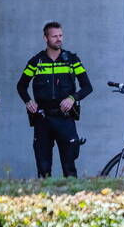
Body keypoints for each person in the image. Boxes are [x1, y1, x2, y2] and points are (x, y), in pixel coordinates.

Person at [16, 22, 92, 177]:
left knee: (69, 168)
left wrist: (73, 98)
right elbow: (21, 86)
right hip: (42, 119)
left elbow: (87, 87)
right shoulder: (36, 61)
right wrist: (28, 101)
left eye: (60, 36)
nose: (58, 39)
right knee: (43, 169)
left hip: (65, 119)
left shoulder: (71, 60)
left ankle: (72, 200)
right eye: (54, 36)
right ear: (45, 38)